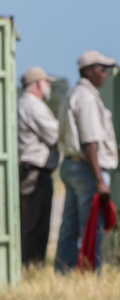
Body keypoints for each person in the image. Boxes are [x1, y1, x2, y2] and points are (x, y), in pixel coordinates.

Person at [56, 50, 117, 274]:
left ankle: (62, 271)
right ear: (89, 71)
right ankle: (92, 272)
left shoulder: (72, 93)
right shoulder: (88, 98)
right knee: (92, 226)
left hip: (71, 165)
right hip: (87, 169)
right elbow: (90, 142)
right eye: (102, 69)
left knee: (69, 226)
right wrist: (99, 179)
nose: (105, 74)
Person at [17, 66, 60, 269]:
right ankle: (33, 267)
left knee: (28, 223)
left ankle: (26, 265)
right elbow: (56, 134)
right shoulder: (34, 106)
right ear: (37, 84)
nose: (49, 86)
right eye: (46, 82)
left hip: (26, 170)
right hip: (36, 171)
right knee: (37, 224)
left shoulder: (20, 104)